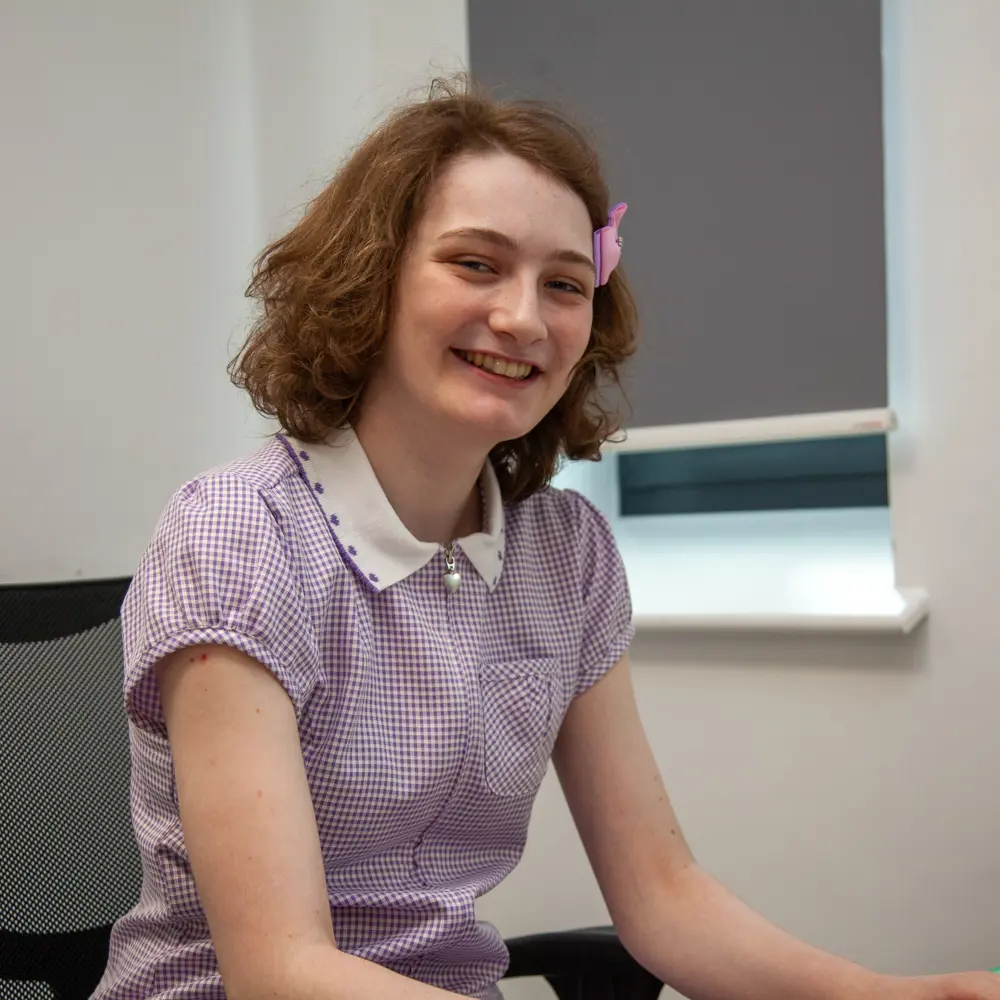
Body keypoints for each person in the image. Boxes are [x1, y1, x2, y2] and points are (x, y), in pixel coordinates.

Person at [94, 79, 1000, 1000]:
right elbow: (280, 972)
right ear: (371, 278)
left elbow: (662, 894)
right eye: (477, 264)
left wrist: (884, 995)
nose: (525, 318)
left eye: (565, 283)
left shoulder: (564, 553)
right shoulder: (239, 537)